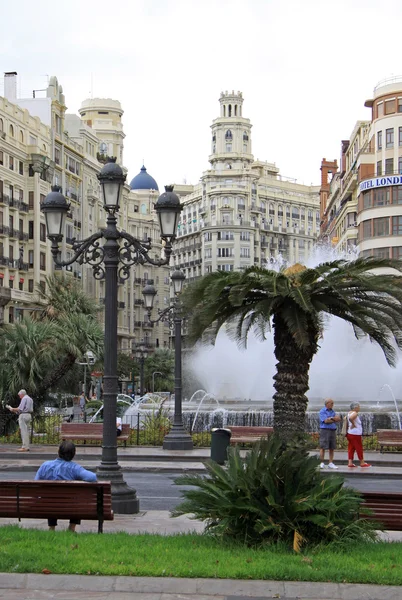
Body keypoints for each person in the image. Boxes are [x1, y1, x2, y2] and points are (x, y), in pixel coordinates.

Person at [35, 440, 97, 531]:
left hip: (48, 505)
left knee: (51, 496)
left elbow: (36, 482)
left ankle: (51, 528)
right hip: (70, 506)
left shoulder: (45, 465)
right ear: (73, 454)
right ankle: (71, 528)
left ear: (59, 452)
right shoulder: (75, 468)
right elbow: (93, 477)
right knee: (77, 498)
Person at [346, 402, 371, 468]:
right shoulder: (355, 413)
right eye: (359, 407)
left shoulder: (349, 412)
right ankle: (362, 462)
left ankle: (350, 462)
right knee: (359, 448)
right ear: (355, 407)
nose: (359, 408)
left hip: (350, 433)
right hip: (355, 434)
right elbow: (351, 418)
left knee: (351, 448)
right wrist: (354, 424)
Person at [319, 398, 341, 469]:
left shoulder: (332, 411)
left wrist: (331, 419)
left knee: (332, 447)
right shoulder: (322, 411)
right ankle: (321, 462)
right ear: (327, 404)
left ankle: (330, 463)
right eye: (331, 403)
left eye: (333, 403)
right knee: (323, 446)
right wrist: (334, 419)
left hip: (332, 430)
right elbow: (325, 421)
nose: (332, 405)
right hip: (325, 430)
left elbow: (337, 419)